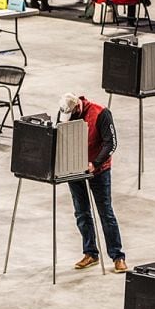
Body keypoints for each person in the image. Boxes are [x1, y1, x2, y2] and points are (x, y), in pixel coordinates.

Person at [59, 93, 128, 274]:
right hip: (74, 170)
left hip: (99, 170)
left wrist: (95, 163)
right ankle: (90, 253)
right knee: (82, 212)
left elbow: (111, 143)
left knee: (105, 213)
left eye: (74, 113)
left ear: (78, 107)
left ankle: (118, 256)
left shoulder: (101, 113)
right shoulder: (67, 114)